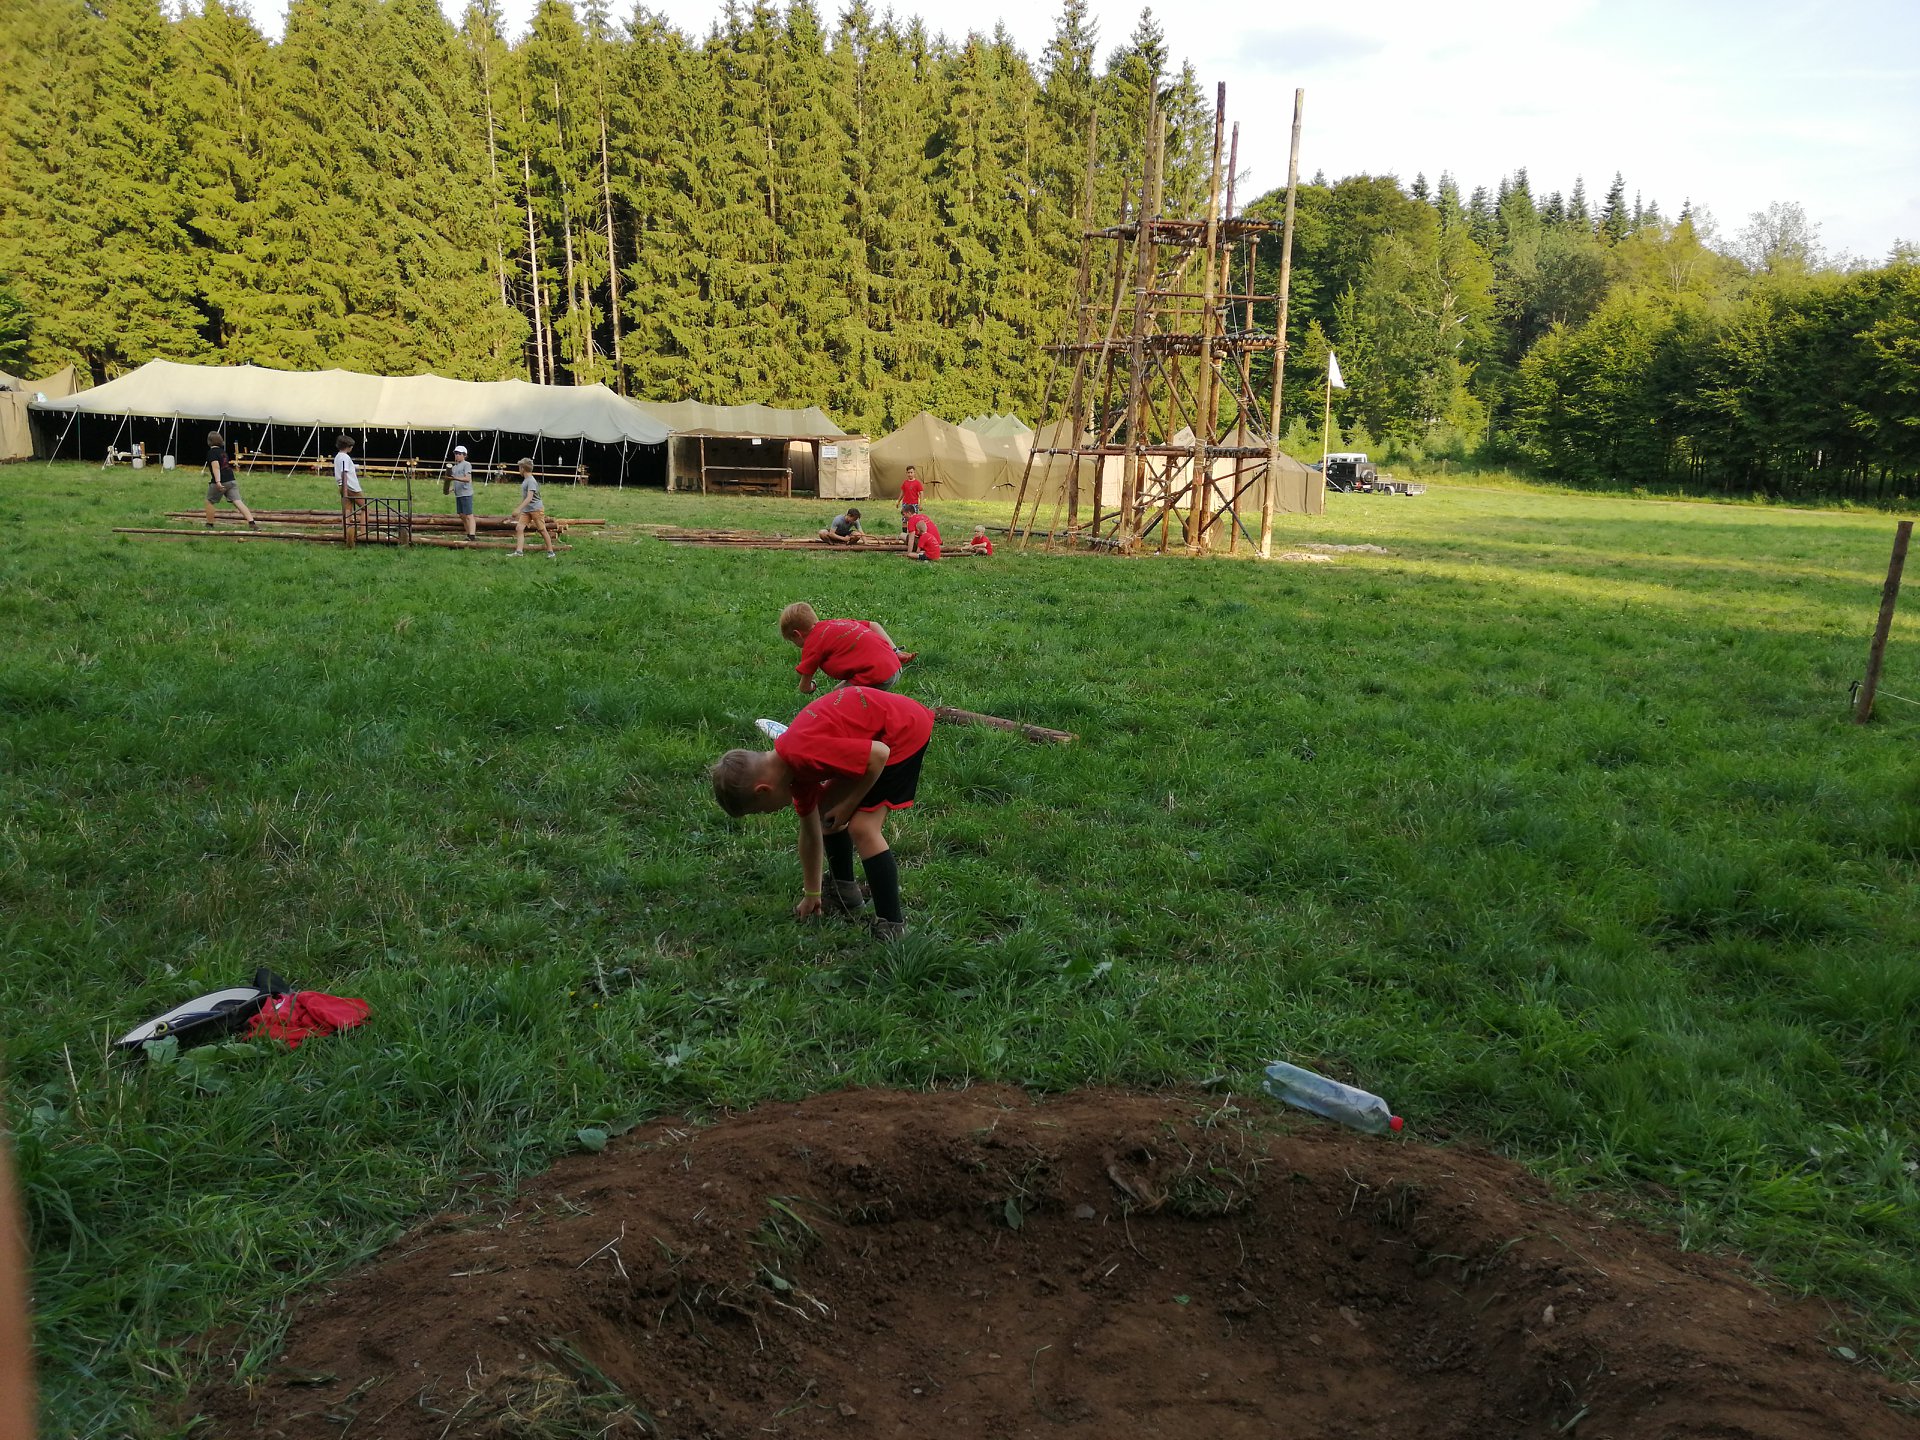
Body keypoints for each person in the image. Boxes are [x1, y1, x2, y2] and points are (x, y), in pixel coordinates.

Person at [710, 685, 934, 939]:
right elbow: (810, 831)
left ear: (764, 790)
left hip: (901, 732)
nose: (770, 813)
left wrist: (849, 805)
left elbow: (879, 755)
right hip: (876, 735)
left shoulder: (804, 752)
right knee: (826, 816)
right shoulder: (792, 772)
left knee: (863, 828)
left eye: (763, 810)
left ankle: (892, 925)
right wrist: (812, 893)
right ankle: (844, 892)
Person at [780, 602, 915, 695]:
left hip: (877, 674)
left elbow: (804, 687)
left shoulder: (812, 643)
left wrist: (811, 687)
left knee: (838, 698)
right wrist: (896, 651)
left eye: (793, 641)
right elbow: (873, 625)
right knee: (842, 690)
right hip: (893, 665)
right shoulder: (837, 623)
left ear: (797, 634)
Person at [203, 429, 258, 529]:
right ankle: (252, 522)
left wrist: (218, 481)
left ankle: (209, 524)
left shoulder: (212, 453)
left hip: (221, 481)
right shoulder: (223, 452)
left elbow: (216, 467)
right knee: (237, 501)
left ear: (209, 441)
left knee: (209, 501)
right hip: (231, 479)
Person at [510, 457, 557, 558]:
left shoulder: (531, 481)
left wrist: (518, 509)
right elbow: (525, 498)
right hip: (527, 510)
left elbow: (529, 498)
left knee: (542, 529)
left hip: (536, 509)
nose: (519, 470)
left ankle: (551, 552)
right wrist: (520, 507)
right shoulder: (526, 480)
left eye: (519, 468)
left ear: (523, 468)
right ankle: (519, 552)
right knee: (519, 528)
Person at [442, 444, 477, 540]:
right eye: (455, 453)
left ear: (464, 455)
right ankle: (468, 533)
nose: (457, 455)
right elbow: (455, 481)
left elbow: (467, 478)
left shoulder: (467, 464)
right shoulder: (454, 467)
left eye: (459, 453)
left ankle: (472, 535)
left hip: (466, 493)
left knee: (469, 515)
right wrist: (451, 489)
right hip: (458, 494)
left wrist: (454, 478)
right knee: (462, 515)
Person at [334, 434, 367, 516]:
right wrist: (345, 491)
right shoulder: (345, 457)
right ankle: (363, 529)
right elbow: (344, 473)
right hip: (350, 486)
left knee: (348, 510)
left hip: (342, 485)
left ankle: (348, 528)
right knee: (365, 508)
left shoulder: (338, 456)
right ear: (348, 446)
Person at [899, 465, 924, 531]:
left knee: (914, 520)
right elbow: (902, 492)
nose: (910, 474)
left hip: (914, 504)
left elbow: (921, 493)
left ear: (914, 473)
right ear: (906, 473)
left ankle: (914, 534)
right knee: (904, 520)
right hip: (905, 504)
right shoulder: (905, 483)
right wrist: (898, 501)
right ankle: (904, 534)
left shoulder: (917, 483)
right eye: (908, 472)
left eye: (911, 472)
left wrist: (921, 504)